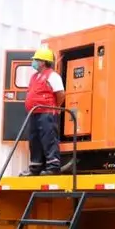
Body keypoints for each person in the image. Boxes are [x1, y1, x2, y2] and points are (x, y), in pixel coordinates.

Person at [20, 46, 65, 176]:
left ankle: (53, 166)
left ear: (43, 62)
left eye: (36, 60)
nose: (34, 62)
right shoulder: (34, 77)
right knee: (35, 139)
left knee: (49, 138)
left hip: (47, 113)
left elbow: (60, 94)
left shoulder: (53, 76)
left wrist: (55, 106)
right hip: (34, 113)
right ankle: (35, 167)